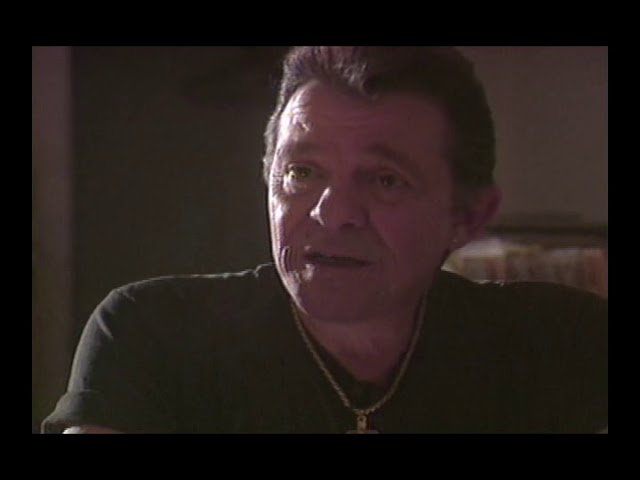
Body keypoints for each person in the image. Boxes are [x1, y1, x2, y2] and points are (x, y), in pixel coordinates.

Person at [41, 46, 608, 434]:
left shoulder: (561, 344)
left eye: (385, 179)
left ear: (468, 216)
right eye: (302, 172)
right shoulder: (152, 334)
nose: (332, 213)